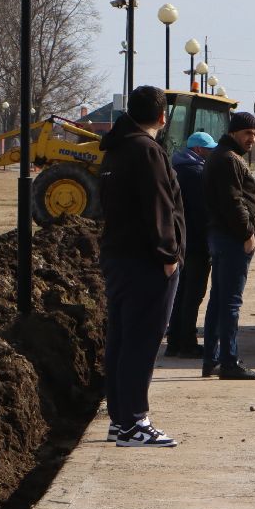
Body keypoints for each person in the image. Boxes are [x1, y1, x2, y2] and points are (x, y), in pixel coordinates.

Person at [96, 85, 185, 447]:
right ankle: (134, 422)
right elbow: (158, 205)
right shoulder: (147, 151)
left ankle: (120, 419)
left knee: (121, 339)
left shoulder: (115, 149)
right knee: (142, 341)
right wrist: (168, 256)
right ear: (163, 117)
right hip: (147, 262)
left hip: (119, 257)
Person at [203, 111, 255, 380]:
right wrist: (247, 233)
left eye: (254, 134)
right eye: (246, 133)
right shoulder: (229, 159)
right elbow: (234, 202)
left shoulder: (222, 156)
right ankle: (229, 362)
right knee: (230, 303)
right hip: (231, 239)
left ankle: (212, 360)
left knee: (218, 300)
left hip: (221, 237)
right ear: (233, 133)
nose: (251, 138)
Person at [163, 131, 217, 357]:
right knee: (193, 295)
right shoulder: (196, 174)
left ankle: (174, 342)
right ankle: (187, 343)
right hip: (196, 243)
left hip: (180, 243)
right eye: (209, 149)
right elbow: (203, 212)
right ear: (198, 150)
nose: (211, 153)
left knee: (179, 293)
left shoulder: (174, 170)